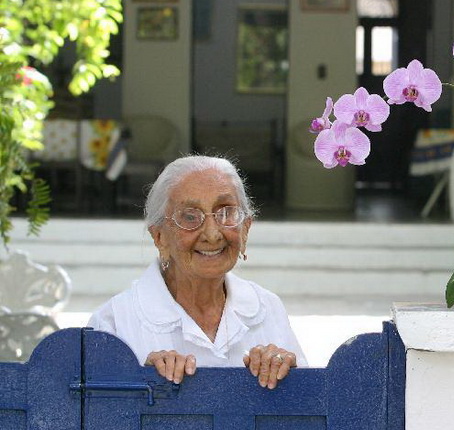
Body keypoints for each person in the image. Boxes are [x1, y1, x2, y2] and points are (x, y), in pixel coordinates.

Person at [88, 155, 306, 388]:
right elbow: (94, 417)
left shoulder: (267, 308)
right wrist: (140, 384)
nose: (212, 234)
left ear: (245, 229)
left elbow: (307, 414)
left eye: (225, 213)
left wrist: (287, 376)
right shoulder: (115, 323)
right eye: (190, 217)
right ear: (160, 237)